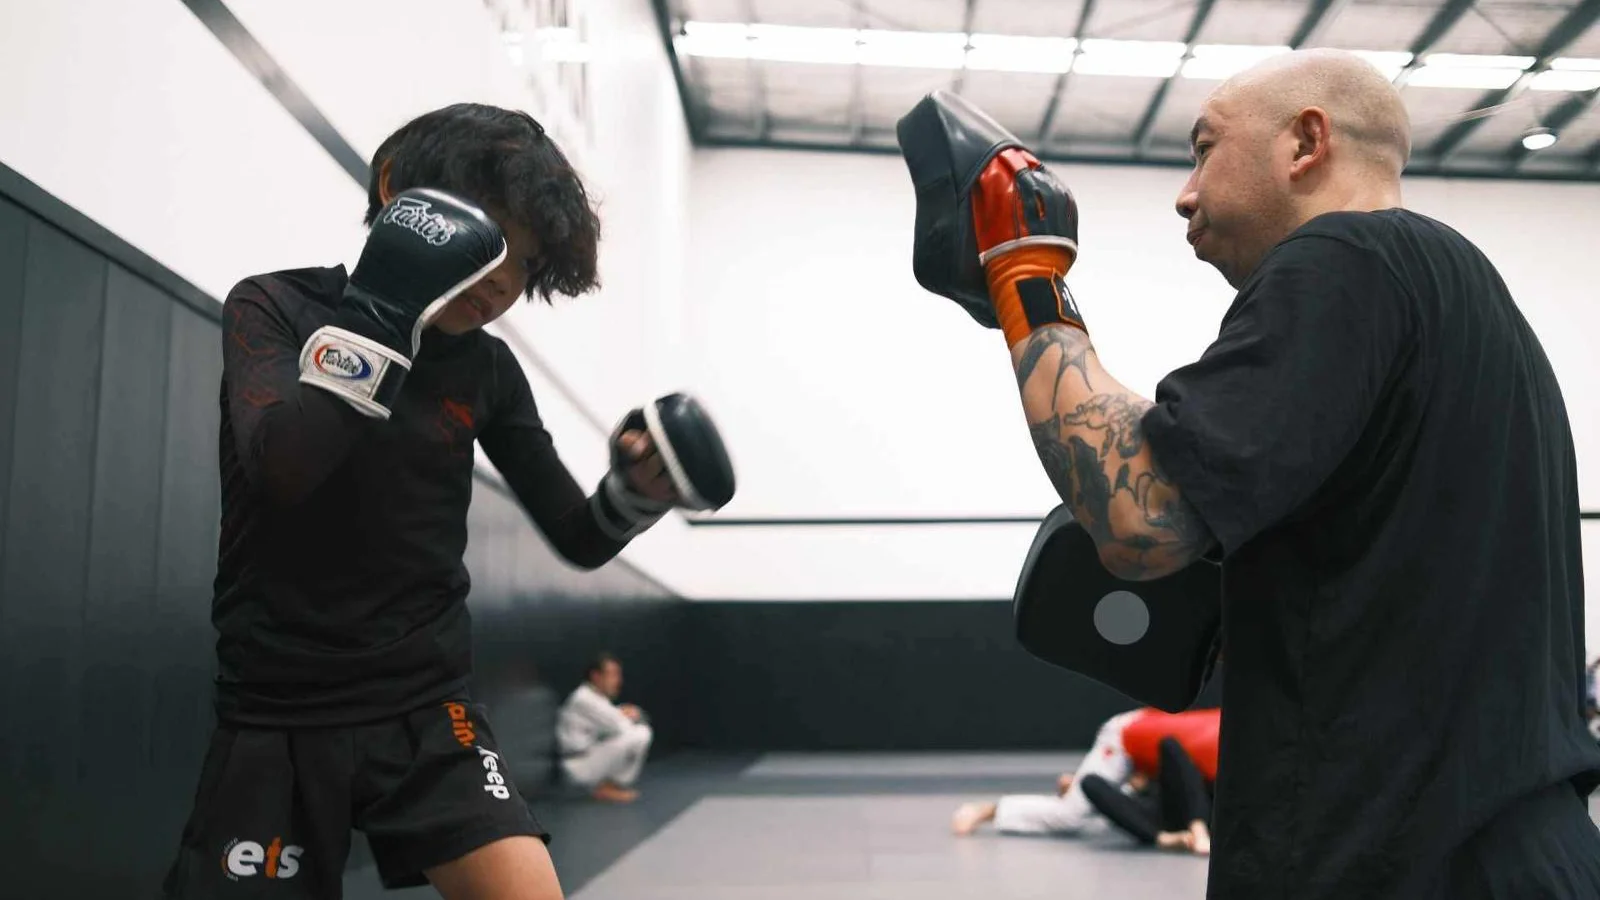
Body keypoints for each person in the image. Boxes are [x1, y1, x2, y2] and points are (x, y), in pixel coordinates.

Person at [923, 48, 1600, 898]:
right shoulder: (1466, 301)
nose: (1185, 193)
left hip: (1390, 862)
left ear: (1305, 143)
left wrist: (1026, 274)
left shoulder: (1343, 257)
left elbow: (1144, 515)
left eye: (1204, 149)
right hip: (1517, 851)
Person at [162, 104, 716, 900]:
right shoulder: (275, 308)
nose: (500, 281)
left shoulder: (487, 372)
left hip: (428, 710)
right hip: (278, 706)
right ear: (397, 193)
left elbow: (579, 534)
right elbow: (284, 470)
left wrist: (638, 494)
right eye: (489, 237)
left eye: (525, 263)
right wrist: (387, 307)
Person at [951, 708, 1216, 856]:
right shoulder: (1227, 747)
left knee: (1113, 808)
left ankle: (1082, 789)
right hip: (1124, 739)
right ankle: (990, 809)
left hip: (1157, 751)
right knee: (1071, 815)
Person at [556, 653, 653, 802]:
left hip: (587, 758)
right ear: (596, 676)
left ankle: (609, 786)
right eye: (613, 675)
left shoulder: (596, 698)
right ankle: (607, 787)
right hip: (578, 765)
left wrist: (626, 714)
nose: (618, 681)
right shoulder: (584, 699)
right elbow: (622, 727)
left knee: (637, 732)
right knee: (640, 734)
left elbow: (617, 719)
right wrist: (627, 714)